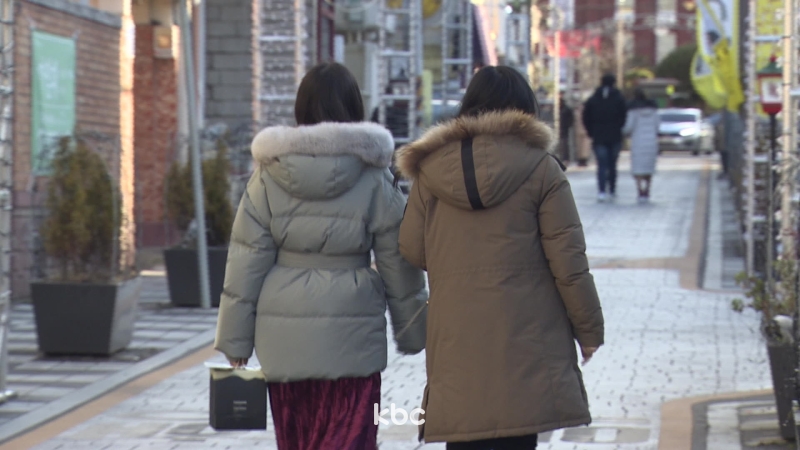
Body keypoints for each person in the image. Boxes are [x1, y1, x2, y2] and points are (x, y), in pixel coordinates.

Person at [214, 62, 428, 450]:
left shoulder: (268, 174)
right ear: (354, 106)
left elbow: (246, 260)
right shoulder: (374, 175)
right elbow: (398, 261)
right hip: (353, 341)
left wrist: (234, 341)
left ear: (301, 108)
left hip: (284, 342)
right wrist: (413, 331)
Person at [395, 65, 605, 450]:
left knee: (465, 431)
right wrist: (588, 332)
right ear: (525, 110)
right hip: (526, 335)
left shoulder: (430, 172)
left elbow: (412, 248)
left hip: (456, 332)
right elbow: (569, 262)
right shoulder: (541, 169)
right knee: (518, 431)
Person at [582, 73, 628, 202]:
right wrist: (619, 128)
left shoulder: (593, 99)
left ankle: (601, 190)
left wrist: (591, 132)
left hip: (599, 136)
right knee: (612, 164)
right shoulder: (618, 98)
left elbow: (586, 117)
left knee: (601, 165)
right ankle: (612, 189)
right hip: (614, 135)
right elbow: (624, 116)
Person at [623, 89, 660, 203]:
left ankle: (640, 190)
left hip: (637, 142)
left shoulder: (633, 111)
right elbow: (658, 126)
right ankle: (647, 189)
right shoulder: (654, 111)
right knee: (649, 168)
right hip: (651, 142)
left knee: (638, 168)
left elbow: (628, 127)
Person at [558, 91, 575, 163]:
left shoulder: (566, 108)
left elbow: (571, 118)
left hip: (564, 129)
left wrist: (568, 124)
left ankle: (565, 158)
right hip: (559, 129)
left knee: (565, 144)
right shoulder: (557, 108)